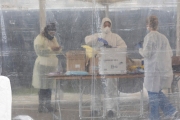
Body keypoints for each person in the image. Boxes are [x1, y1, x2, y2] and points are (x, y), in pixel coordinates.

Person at [85, 17, 127, 117]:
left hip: (111, 67)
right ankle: (95, 109)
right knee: (96, 88)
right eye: (105, 24)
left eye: (108, 25)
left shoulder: (115, 37)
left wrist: (114, 49)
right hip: (98, 66)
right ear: (102, 25)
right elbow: (87, 40)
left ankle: (110, 110)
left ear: (111, 26)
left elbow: (124, 47)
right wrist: (98, 39)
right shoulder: (97, 35)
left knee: (111, 88)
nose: (107, 26)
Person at [139, 15, 178, 120]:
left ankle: (155, 117)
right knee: (157, 92)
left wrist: (139, 49)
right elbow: (169, 53)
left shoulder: (150, 37)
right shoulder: (163, 37)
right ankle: (171, 111)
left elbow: (147, 54)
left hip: (153, 71)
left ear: (148, 25)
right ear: (157, 24)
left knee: (153, 95)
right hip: (162, 70)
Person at [32, 23, 62, 113]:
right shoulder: (39, 38)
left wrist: (58, 49)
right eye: (51, 32)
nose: (52, 35)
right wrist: (50, 49)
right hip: (42, 65)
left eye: (54, 33)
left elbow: (57, 50)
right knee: (42, 87)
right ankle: (41, 106)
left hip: (51, 66)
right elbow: (39, 51)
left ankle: (48, 105)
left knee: (49, 87)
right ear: (47, 31)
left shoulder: (53, 39)